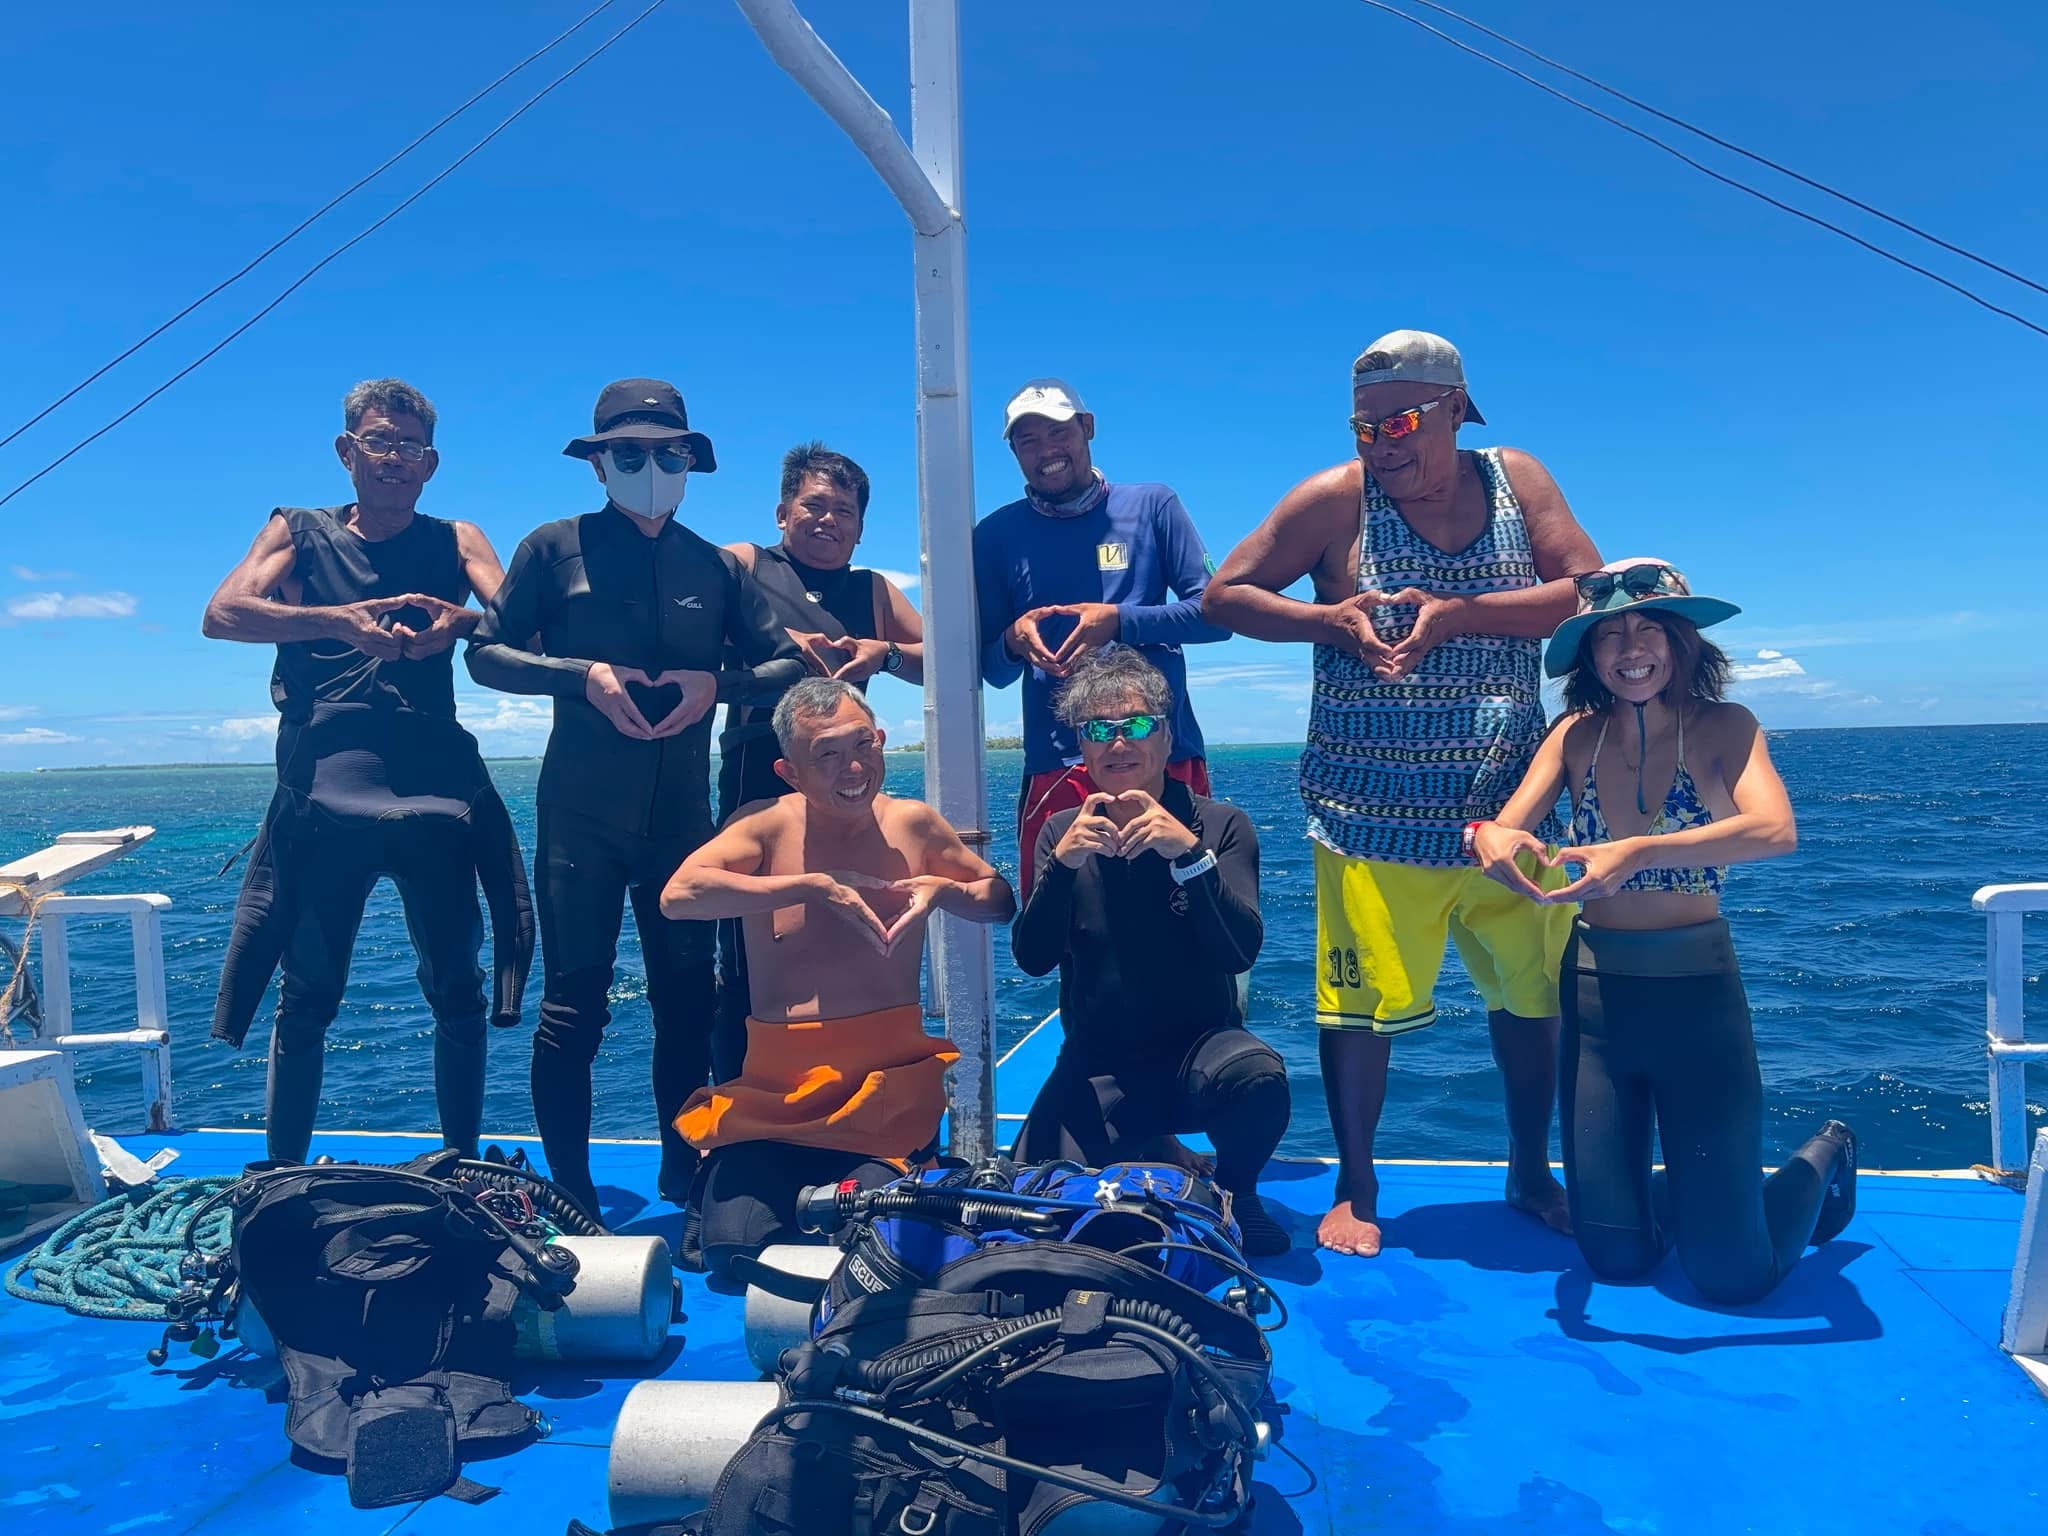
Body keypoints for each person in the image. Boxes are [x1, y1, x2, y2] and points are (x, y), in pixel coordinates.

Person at [1202, 330, 1601, 1258]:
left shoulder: (1517, 481)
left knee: (1532, 999)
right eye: (1364, 426)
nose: (1382, 444)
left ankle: (1531, 1170)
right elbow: (1226, 595)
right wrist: (1328, 622)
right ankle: (1357, 1185)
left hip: (1512, 810)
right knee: (1358, 1011)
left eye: (1403, 422)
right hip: (1367, 817)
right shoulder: (1334, 499)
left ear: (1458, 409)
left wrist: (1460, 614)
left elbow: (1586, 592)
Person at [1472, 559, 1855, 1303]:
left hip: (1696, 995)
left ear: (1683, 641)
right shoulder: (1573, 734)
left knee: (1732, 1278)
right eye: (1608, 635)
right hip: (1595, 996)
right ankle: (1703, 1196)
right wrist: (1492, 840)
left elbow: (1774, 829)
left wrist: (1641, 851)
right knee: (1616, 1260)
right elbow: (1506, 827)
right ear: (1588, 655)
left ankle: (1826, 1153)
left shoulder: (1725, 726)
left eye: (1649, 628)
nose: (1630, 648)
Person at [466, 378, 803, 1218]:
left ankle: (685, 1179)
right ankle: (571, 1191)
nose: (651, 468)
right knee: (572, 1011)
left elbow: (789, 662)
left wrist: (717, 684)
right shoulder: (554, 548)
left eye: (668, 453)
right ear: (597, 464)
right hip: (580, 818)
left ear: (690, 462)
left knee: (687, 1006)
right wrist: (582, 676)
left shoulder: (713, 566)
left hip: (680, 821)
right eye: (629, 453)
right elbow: (485, 652)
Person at [201, 377, 529, 1162]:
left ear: (431, 463)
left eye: (411, 446)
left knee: (458, 989)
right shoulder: (298, 529)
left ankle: (460, 1164)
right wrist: (336, 623)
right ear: (347, 451)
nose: (395, 458)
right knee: (309, 994)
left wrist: (463, 622)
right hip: (325, 788)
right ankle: (282, 1175)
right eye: (380, 441)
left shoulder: (459, 540)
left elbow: (529, 626)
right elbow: (222, 613)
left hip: (434, 786)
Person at [660, 679, 1015, 1279]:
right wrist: (810, 887)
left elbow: (998, 900)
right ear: (790, 771)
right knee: (731, 1252)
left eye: (863, 744)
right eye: (826, 754)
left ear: (881, 741)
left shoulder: (913, 824)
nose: (853, 767)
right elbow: (679, 897)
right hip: (778, 1104)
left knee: (874, 1248)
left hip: (883, 1107)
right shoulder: (764, 826)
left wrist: (943, 891)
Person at [1009, 650, 1291, 1256]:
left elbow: (1239, 950)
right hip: (1100, 1068)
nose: (1118, 742)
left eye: (1136, 724)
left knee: (1260, 1078)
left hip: (1200, 1056)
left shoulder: (1220, 825)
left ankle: (1238, 1191)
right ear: (1082, 747)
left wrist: (1188, 856)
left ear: (1166, 736)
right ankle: (1151, 1145)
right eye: (1098, 729)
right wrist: (1062, 868)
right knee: (1034, 1212)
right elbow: (1032, 959)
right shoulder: (1059, 832)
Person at [711, 442, 924, 1080]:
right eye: (814, 505)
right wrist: (778, 641)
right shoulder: (745, 564)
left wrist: (885, 653)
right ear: (783, 512)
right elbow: (686, 624)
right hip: (759, 775)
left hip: (849, 785)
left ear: (860, 528)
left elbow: (944, 656)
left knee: (849, 934)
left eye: (845, 511)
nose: (829, 520)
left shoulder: (873, 590)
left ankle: (849, 1096)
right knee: (751, 948)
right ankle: (743, 1101)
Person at [974, 378, 1230, 892]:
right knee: (1060, 923)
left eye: (1058, 432)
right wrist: (1012, 642)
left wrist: (1119, 620)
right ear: (1013, 452)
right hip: (1058, 764)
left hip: (1165, 753)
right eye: (1028, 440)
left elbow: (1216, 616)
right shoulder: (995, 535)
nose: (1047, 450)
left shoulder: (1154, 505)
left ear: (1087, 428)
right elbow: (991, 670)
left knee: (1192, 910)